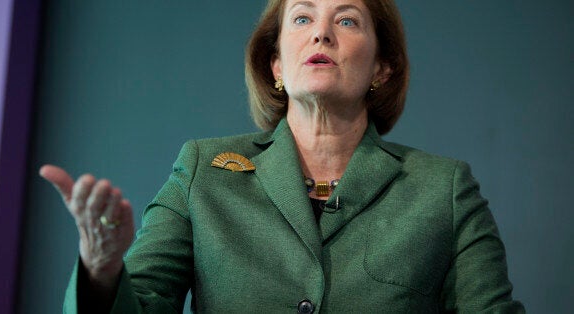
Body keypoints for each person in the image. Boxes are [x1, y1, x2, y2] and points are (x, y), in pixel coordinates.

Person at [41, 0, 525, 312]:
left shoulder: (444, 189)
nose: (322, 34)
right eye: (302, 17)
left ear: (382, 67)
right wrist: (101, 271)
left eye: (347, 20)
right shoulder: (202, 171)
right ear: (276, 64)